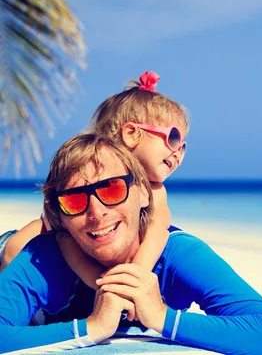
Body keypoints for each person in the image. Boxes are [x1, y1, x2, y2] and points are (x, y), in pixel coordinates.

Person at [0, 132, 262, 354]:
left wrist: (162, 316)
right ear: (61, 218)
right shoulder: (45, 257)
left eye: (111, 189)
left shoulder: (177, 254)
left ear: (144, 194)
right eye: (75, 199)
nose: (96, 213)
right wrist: (93, 327)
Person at [0, 71, 185, 292]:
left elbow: (158, 232)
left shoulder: (154, 191)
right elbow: (65, 240)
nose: (178, 153)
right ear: (132, 134)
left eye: (183, 145)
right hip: (52, 232)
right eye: (173, 138)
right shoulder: (86, 169)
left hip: (74, 243)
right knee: (14, 249)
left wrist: (135, 276)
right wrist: (105, 285)